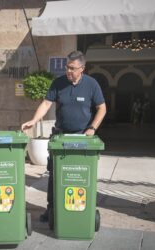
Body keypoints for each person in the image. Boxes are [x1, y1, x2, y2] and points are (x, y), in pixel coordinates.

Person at [21, 51, 107, 222]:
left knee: (80, 174)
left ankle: (82, 207)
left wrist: (92, 128)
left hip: (82, 139)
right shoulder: (58, 83)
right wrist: (33, 120)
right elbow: (46, 103)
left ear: (82, 68)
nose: (68, 71)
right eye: (67, 67)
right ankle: (51, 209)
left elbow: (102, 108)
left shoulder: (92, 84)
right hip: (60, 138)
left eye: (72, 68)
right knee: (54, 175)